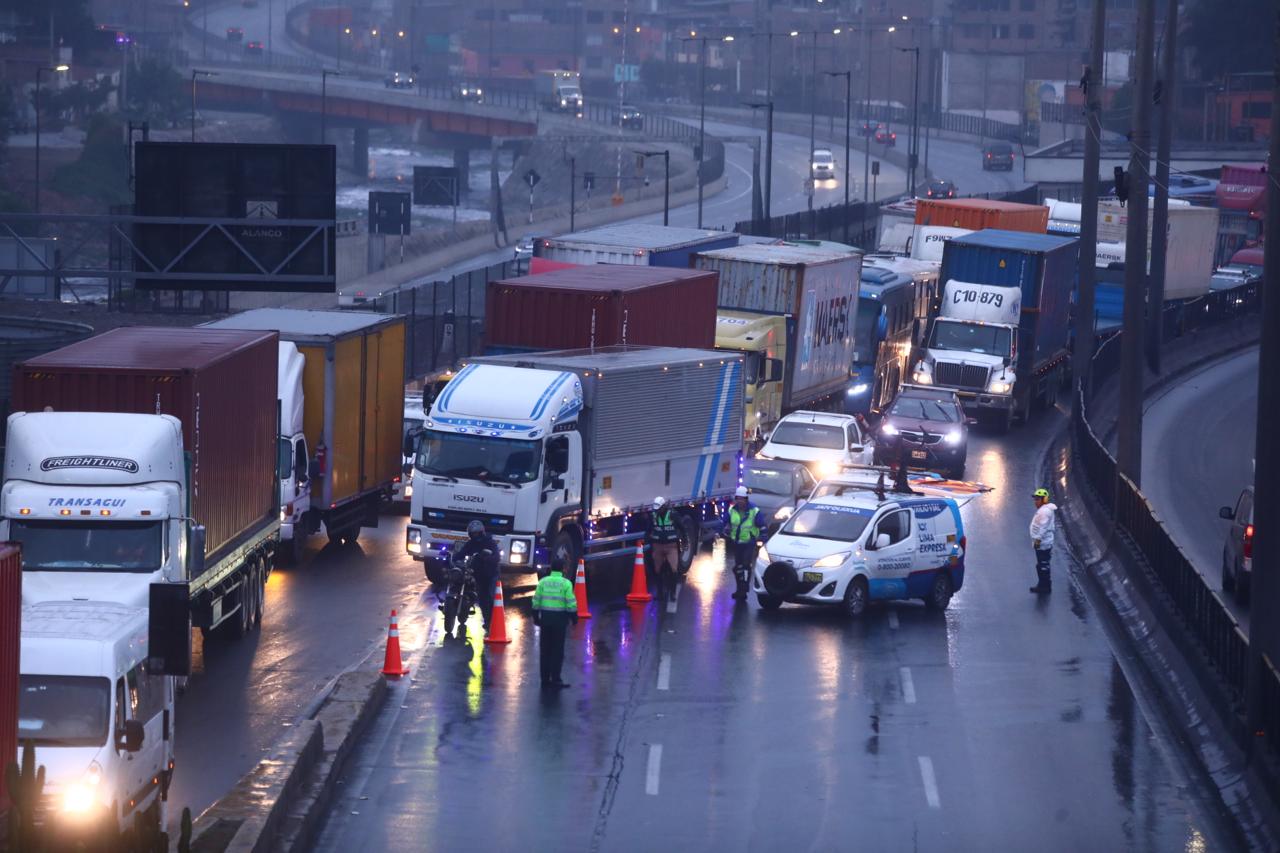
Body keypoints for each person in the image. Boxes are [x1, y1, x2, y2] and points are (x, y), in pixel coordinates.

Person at [531, 558, 578, 688]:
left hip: (545, 620)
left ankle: (544, 679)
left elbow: (536, 601)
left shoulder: (543, 582)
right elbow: (570, 603)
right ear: (563, 568)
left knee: (545, 650)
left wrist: (536, 617)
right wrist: (574, 618)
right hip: (560, 621)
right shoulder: (566, 583)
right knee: (557, 650)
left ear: (551, 568)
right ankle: (556, 679)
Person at [455, 520, 499, 629]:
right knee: (482, 599)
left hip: (491, 573)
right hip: (478, 574)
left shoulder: (490, 542)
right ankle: (487, 622)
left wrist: (487, 558)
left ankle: (495, 621)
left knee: (491, 596)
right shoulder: (470, 544)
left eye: (477, 533)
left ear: (481, 532)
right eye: (472, 533)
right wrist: (452, 557)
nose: (475, 535)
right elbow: (462, 553)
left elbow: (496, 557)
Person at [725, 486, 761, 600]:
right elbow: (724, 521)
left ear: (746, 499)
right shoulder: (732, 510)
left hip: (749, 543)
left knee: (746, 565)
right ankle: (740, 589)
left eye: (742, 499)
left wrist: (763, 537)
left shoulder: (754, 510)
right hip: (737, 542)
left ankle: (744, 588)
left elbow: (761, 524)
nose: (740, 501)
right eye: (738, 498)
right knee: (738, 567)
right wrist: (719, 531)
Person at [648, 496, 681, 603]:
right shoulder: (653, 516)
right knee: (657, 570)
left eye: (659, 509)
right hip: (657, 545)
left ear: (663, 507)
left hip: (671, 546)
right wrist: (646, 540)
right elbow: (649, 529)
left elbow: (681, 527)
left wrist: (684, 540)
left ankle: (673, 593)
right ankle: (659, 593)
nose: (657, 511)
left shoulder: (673, 515)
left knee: (674, 569)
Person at [1029, 488, 1058, 594]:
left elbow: (1042, 528)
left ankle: (1045, 587)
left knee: (1043, 565)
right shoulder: (1043, 510)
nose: (1035, 502)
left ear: (1044, 500)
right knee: (1041, 564)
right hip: (1042, 542)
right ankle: (1042, 584)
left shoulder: (1044, 512)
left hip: (1043, 543)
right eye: (1035, 499)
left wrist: (1037, 541)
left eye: (1037, 499)